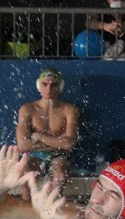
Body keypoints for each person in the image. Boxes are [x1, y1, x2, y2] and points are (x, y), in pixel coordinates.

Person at [15, 68, 80, 202]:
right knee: (26, 174)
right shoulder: (28, 109)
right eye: (45, 84)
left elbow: (70, 144)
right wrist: (57, 143)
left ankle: (50, 213)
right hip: (36, 156)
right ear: (39, 86)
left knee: (60, 176)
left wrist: (39, 137)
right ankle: (27, 216)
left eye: (53, 85)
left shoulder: (69, 110)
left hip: (59, 156)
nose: (49, 89)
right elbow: (22, 145)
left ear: (60, 86)